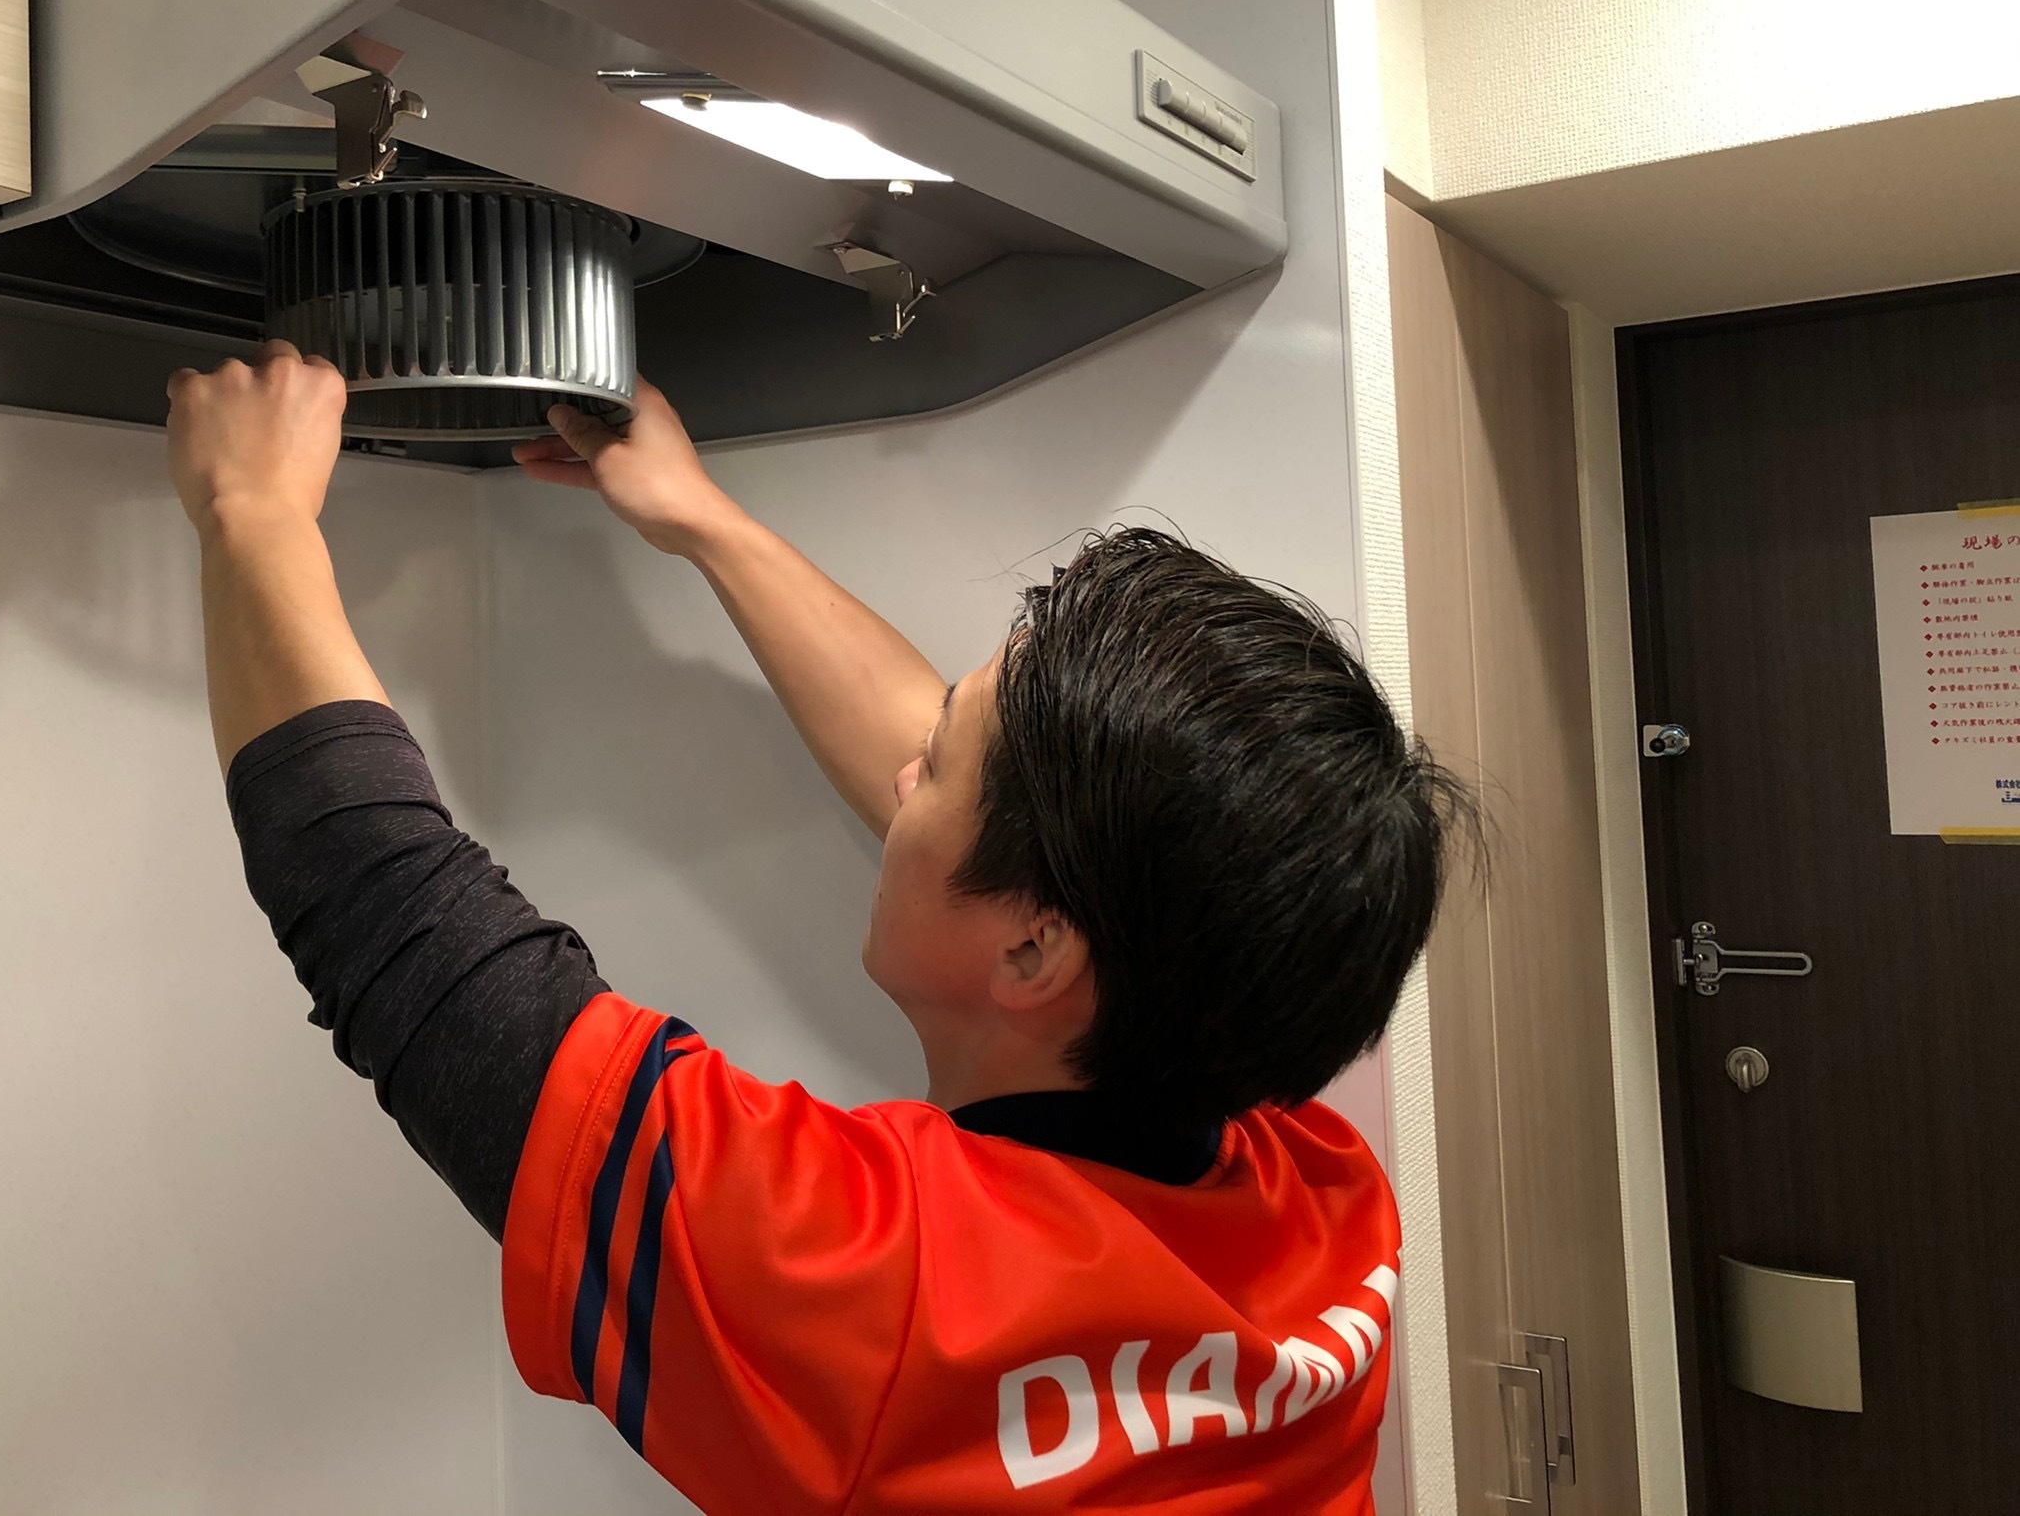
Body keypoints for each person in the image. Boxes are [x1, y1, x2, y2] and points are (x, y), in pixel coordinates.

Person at [165, 340, 1469, 1515]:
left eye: (937, 769)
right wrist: (698, 518)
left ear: (1036, 952)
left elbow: (380, 901)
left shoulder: (880, 1297)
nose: (904, 778)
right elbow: (1000, 818)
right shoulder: (1325, 1198)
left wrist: (250, 509)